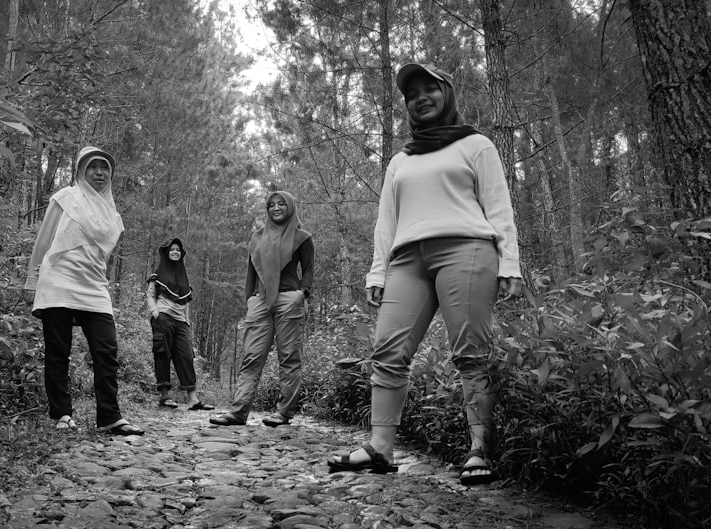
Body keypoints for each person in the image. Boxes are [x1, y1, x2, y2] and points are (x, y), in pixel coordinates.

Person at [327, 63, 522, 484]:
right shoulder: (400, 160)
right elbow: (386, 220)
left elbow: (499, 205)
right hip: (407, 259)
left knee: (471, 351)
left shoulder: (476, 145)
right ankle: (380, 447)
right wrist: (376, 273)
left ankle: (478, 448)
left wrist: (509, 262)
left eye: (429, 88)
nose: (420, 97)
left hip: (467, 249)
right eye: (412, 93)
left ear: (446, 93)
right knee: (387, 350)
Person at [24, 145, 144, 436]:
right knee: (58, 350)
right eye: (92, 167)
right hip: (59, 280)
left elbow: (100, 254)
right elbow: (44, 239)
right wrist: (31, 278)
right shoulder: (65, 198)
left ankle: (109, 416)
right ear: (80, 170)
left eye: (104, 168)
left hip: (94, 285)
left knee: (106, 350)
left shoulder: (111, 213)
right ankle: (62, 413)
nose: (99, 173)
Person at [210, 190, 314, 427]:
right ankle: (238, 412)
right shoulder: (257, 237)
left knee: (289, 357)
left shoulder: (302, 237)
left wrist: (302, 293)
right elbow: (251, 271)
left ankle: (284, 413)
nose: (276, 208)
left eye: (281, 204)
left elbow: (308, 270)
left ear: (290, 207)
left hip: (290, 300)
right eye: (271, 205)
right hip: (260, 301)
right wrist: (249, 298)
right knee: (252, 356)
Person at [146, 238, 215, 410]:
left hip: (180, 322)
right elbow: (150, 294)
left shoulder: (183, 275)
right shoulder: (158, 273)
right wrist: (155, 312)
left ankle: (193, 399)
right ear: (167, 253)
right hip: (163, 318)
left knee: (186, 356)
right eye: (172, 250)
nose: (175, 252)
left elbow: (185, 301)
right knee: (163, 354)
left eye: (178, 250)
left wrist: (187, 320)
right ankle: (164, 396)